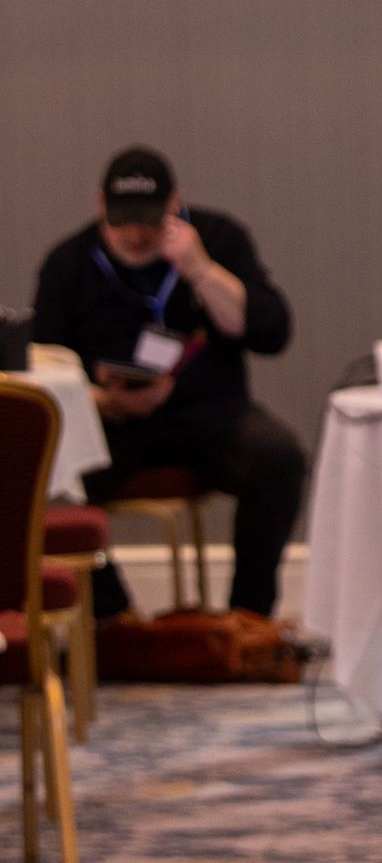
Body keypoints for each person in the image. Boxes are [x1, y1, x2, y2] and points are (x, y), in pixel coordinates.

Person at [32, 147, 306, 618]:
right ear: (101, 205)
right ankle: (115, 620)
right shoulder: (68, 262)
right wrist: (102, 400)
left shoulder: (218, 240)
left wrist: (199, 269)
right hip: (110, 426)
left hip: (211, 418)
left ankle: (250, 618)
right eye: (123, 221)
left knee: (279, 459)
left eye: (149, 220)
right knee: (43, 472)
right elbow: (44, 363)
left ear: (175, 205)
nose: (136, 234)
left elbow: (270, 333)